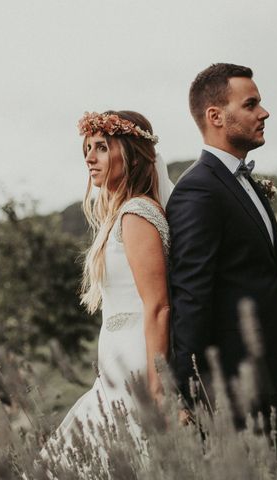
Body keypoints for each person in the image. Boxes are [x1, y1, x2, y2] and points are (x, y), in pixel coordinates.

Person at [166, 64, 277, 439]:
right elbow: (191, 296)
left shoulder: (245, 183)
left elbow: (269, 285)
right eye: (251, 104)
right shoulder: (198, 191)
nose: (264, 113)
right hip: (237, 391)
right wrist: (189, 390)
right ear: (215, 116)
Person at [44, 110, 173, 467]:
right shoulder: (119, 215)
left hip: (137, 360)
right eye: (88, 148)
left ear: (130, 154)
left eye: (101, 147)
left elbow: (159, 306)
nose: (89, 157)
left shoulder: (136, 214)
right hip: (118, 360)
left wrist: (159, 387)